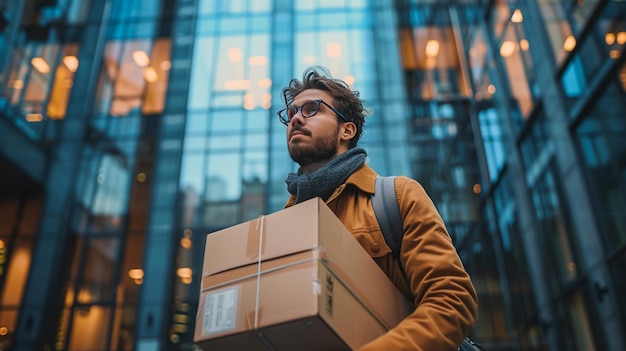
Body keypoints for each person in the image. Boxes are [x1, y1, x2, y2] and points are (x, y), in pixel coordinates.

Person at [279, 66, 478, 351]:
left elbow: (452, 302)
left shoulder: (396, 196)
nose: (296, 118)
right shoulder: (283, 224)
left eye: (312, 109)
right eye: (291, 113)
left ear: (347, 130)